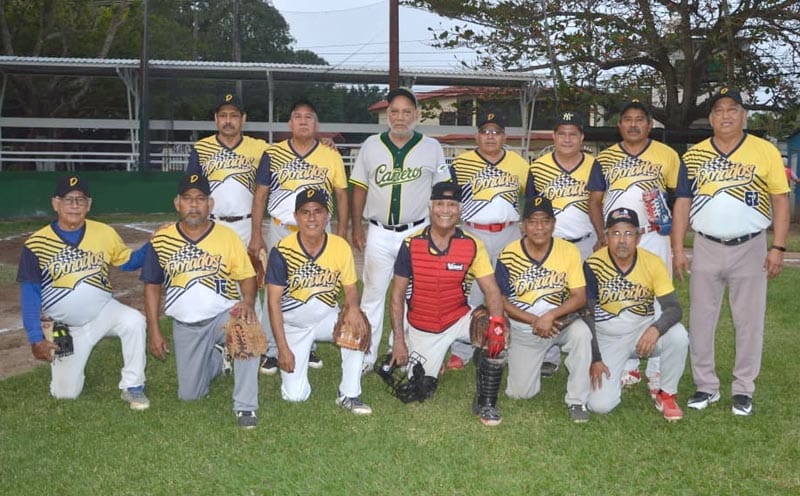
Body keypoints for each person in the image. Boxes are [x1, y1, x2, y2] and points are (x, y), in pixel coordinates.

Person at [674, 88, 790, 416]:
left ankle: (743, 389)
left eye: (732, 109)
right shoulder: (693, 155)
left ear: (744, 115)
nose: (726, 116)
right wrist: (679, 248)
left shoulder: (764, 150)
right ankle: (705, 386)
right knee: (701, 318)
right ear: (710, 118)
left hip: (750, 245)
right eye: (719, 110)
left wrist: (778, 247)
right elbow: (682, 203)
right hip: (707, 244)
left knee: (749, 321)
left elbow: (781, 200)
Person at [17, 175, 149, 409]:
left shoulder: (104, 233)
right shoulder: (37, 244)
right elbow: (30, 294)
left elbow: (128, 262)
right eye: (68, 200)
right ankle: (70, 368)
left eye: (80, 200)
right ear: (55, 204)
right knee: (65, 395)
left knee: (134, 321)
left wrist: (155, 243)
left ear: (89, 205)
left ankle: (133, 386)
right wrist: (36, 339)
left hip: (103, 312)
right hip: (65, 328)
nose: (75, 205)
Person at [588, 98, 691, 394]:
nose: (633, 124)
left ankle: (657, 368)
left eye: (640, 119)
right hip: (615, 239)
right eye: (628, 119)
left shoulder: (668, 155)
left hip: (652, 234)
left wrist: (678, 246)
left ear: (649, 125)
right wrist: (601, 235)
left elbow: (681, 198)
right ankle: (629, 364)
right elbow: (594, 201)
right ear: (620, 125)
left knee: (658, 299)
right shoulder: (605, 158)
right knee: (620, 298)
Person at [141, 174, 260, 428]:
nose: (194, 205)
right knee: (190, 396)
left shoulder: (227, 237)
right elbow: (151, 286)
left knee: (246, 328)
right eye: (187, 199)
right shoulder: (161, 240)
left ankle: (245, 407)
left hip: (222, 317)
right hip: (186, 326)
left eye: (200, 199)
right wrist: (154, 331)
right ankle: (219, 359)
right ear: (177, 203)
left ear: (210, 204)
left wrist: (248, 301)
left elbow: (248, 276)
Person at [389, 182, 507, 426]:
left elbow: (492, 292)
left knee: (496, 332)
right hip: (424, 326)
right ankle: (421, 352)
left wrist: (496, 325)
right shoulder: (411, 244)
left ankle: (486, 402)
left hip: (459, 318)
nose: (446, 210)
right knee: (421, 390)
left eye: (452, 205)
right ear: (430, 208)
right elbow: (397, 295)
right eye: (440, 204)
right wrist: (400, 341)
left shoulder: (472, 244)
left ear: (460, 209)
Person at [350, 87, 451, 372]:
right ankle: (366, 355)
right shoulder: (371, 145)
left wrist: (441, 231)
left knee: (411, 295)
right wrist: (356, 225)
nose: (400, 117)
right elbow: (359, 186)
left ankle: (401, 349)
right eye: (394, 111)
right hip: (379, 231)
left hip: (416, 232)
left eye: (407, 111)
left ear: (417, 115)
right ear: (387, 114)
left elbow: (443, 191)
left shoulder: (432, 147)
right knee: (373, 293)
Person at [251, 99, 349, 374]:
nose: (303, 121)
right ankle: (271, 349)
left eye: (309, 117)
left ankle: (311, 345)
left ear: (316, 124)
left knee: (318, 287)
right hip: (282, 230)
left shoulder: (330, 155)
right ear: (290, 123)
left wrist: (341, 232)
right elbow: (260, 195)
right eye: (298, 116)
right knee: (276, 289)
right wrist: (257, 234)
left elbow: (341, 194)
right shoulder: (273, 153)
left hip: (320, 232)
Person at [266, 188, 372, 415]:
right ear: (296, 217)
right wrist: (282, 349)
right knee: (296, 397)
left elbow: (351, 288)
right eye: (305, 212)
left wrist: (352, 307)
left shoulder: (339, 246)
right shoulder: (282, 251)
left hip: (326, 317)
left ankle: (349, 394)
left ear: (326, 216)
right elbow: (273, 303)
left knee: (356, 325)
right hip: (294, 325)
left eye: (317, 212)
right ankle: (296, 369)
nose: (312, 218)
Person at [445, 110, 535, 371]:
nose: (490, 136)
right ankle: (462, 348)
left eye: (496, 132)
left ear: (504, 136)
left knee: (511, 290)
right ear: (477, 136)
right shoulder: (461, 164)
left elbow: (531, 201)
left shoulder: (519, 164)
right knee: (469, 291)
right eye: (485, 131)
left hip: (509, 233)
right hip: (474, 233)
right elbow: (449, 202)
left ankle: (509, 343)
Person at [585, 208, 689, 421]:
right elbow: (587, 315)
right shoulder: (593, 264)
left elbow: (674, 308)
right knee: (599, 405)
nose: (622, 240)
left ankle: (667, 393)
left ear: (639, 237)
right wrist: (595, 357)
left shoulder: (652, 262)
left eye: (628, 233)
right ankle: (617, 371)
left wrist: (655, 329)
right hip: (608, 338)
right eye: (615, 233)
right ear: (606, 236)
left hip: (642, 334)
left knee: (678, 335)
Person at [496, 196, 592, 423]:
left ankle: (577, 400)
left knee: (582, 334)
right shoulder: (508, 254)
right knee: (520, 394)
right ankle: (523, 357)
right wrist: (535, 320)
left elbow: (580, 297)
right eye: (533, 221)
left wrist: (550, 316)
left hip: (561, 323)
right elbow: (501, 301)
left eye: (545, 221)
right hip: (525, 328)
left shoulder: (569, 251)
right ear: (523, 225)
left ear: (553, 224)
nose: (539, 227)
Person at [530, 110, 598, 377]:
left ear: (581, 137)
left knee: (589, 300)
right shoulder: (538, 166)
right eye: (562, 134)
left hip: (586, 241)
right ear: (554, 136)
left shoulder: (596, 165)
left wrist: (602, 238)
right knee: (548, 296)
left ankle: (590, 352)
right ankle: (550, 353)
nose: (567, 139)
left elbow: (601, 203)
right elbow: (531, 209)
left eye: (573, 134)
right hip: (551, 244)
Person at [186, 92, 270, 246]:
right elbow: (191, 192)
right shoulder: (201, 148)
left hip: (246, 226)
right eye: (223, 115)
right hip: (211, 225)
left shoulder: (260, 148)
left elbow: (291, 151)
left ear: (243, 119)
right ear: (216, 119)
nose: (228, 121)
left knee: (248, 270)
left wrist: (326, 143)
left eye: (234, 116)